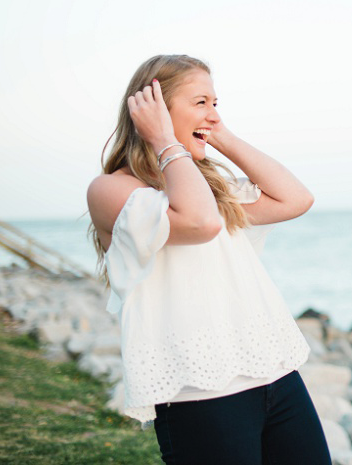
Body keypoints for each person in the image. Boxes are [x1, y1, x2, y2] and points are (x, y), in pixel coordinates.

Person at [87, 55, 331, 465]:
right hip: (199, 395)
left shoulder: (210, 186)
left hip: (275, 375)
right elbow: (199, 223)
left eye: (216, 103)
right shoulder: (111, 190)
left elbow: (296, 199)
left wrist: (221, 138)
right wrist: (166, 141)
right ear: (154, 110)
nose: (214, 115)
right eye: (202, 103)